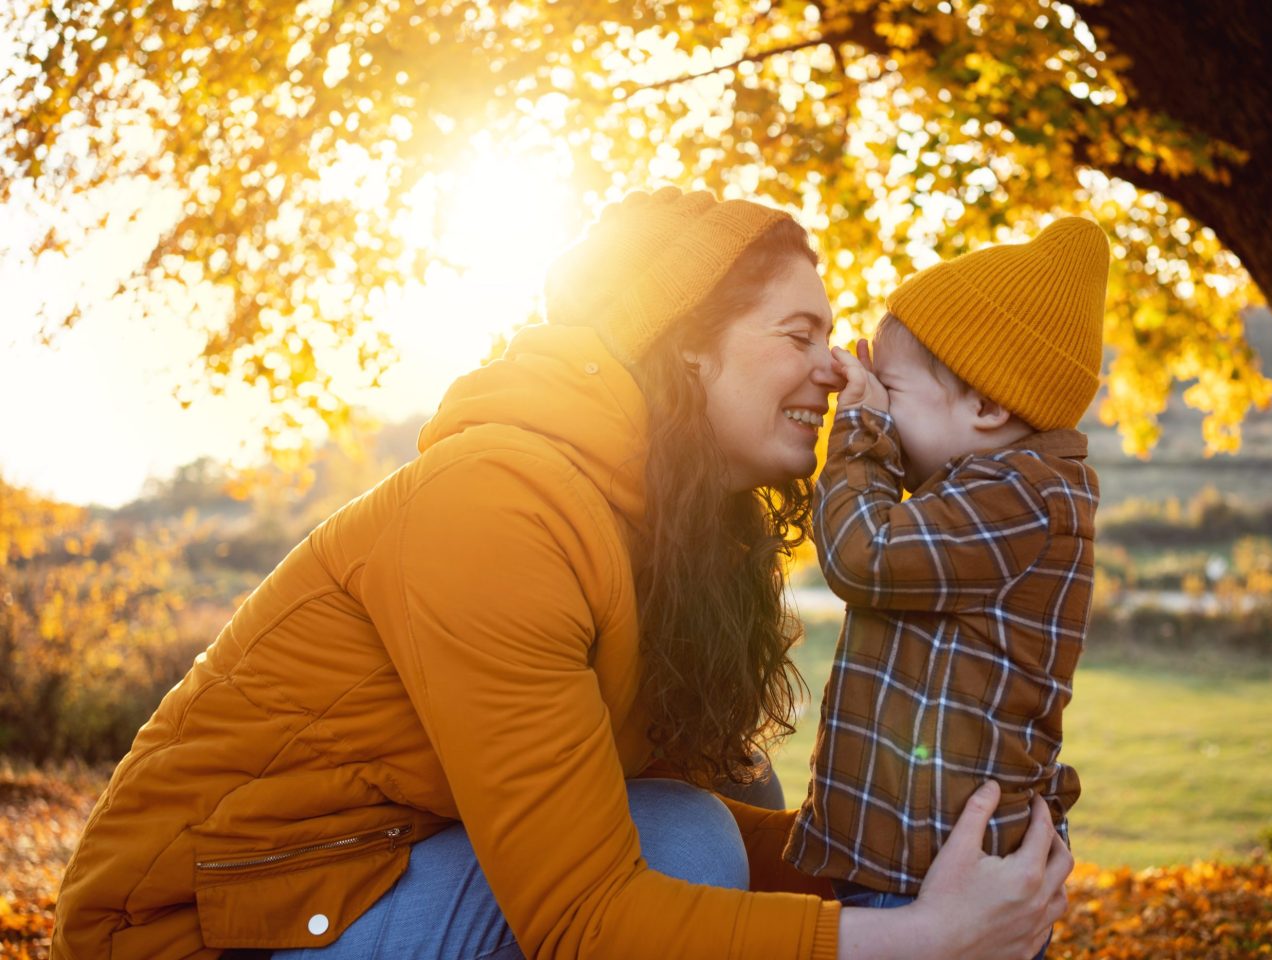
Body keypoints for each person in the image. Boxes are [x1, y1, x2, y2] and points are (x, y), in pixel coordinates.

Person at [52, 188, 1071, 960]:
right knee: (686, 847)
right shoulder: (498, 505)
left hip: (367, 882)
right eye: (799, 334)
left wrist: (916, 859)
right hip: (197, 931)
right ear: (687, 350)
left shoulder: (672, 536)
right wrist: (922, 939)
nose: (839, 371)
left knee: (717, 802)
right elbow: (586, 918)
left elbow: (603, 828)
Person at [784, 219, 1108, 926]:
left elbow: (862, 553)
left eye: (891, 391)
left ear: (987, 406)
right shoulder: (987, 491)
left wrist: (860, 429)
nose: (878, 407)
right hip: (907, 864)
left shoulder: (1022, 496)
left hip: (932, 878)